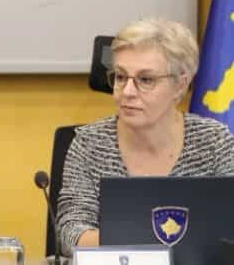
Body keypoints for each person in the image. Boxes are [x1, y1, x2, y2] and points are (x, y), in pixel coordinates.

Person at [56, 18, 234, 256]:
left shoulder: (214, 142)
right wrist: (152, 242)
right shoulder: (89, 144)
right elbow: (70, 233)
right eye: (121, 77)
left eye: (146, 80)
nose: (127, 92)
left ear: (180, 86)